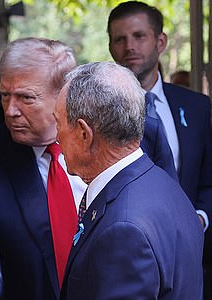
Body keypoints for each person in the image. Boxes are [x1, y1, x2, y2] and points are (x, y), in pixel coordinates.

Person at [0, 37, 87, 299]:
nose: (11, 110)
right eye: (5, 96)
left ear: (64, 95)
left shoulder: (104, 139)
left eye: (26, 97)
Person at [56, 61, 204, 299]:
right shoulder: (162, 182)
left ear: (84, 134)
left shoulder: (123, 231)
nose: (56, 138)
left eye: (58, 123)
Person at [107, 2, 212, 296]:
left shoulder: (196, 106)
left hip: (193, 255)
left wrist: (200, 217)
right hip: (124, 256)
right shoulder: (99, 110)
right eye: (120, 39)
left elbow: (208, 178)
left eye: (139, 36)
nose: (130, 47)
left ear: (160, 42)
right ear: (110, 47)